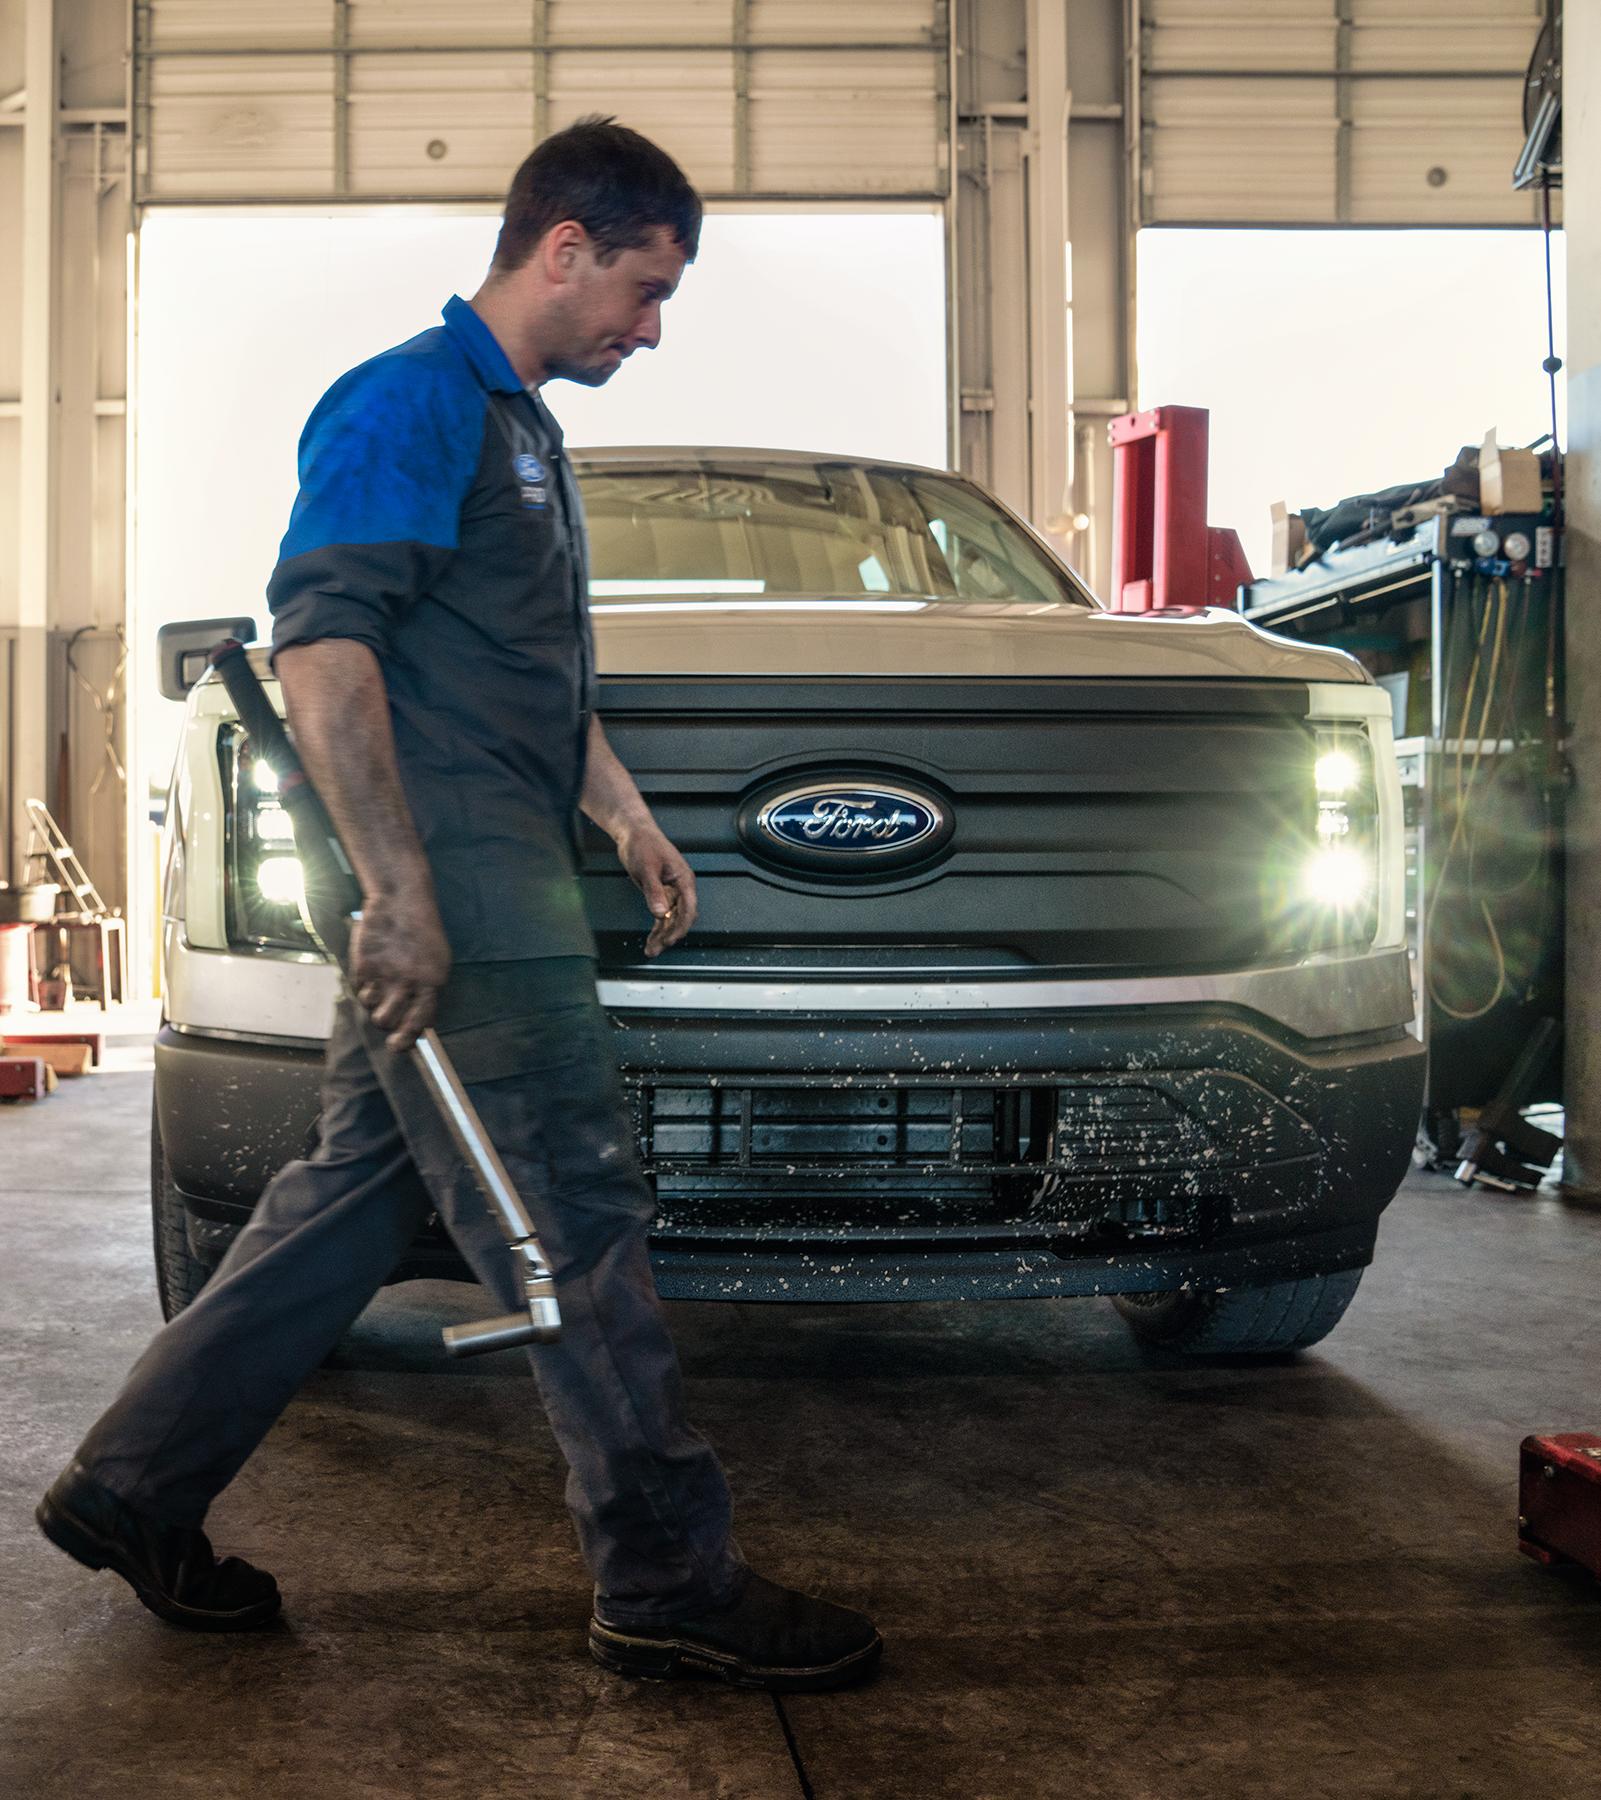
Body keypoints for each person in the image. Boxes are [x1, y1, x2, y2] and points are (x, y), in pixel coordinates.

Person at [37, 118, 882, 1695]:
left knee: (346, 1206)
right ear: (561, 247)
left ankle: (134, 1485)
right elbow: (325, 652)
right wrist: (402, 896)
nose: (652, 325)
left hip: (508, 871)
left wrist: (620, 810)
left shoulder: (522, 429)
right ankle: (664, 1575)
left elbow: (525, 675)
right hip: (470, 907)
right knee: (571, 1223)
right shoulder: (406, 402)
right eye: (644, 287)